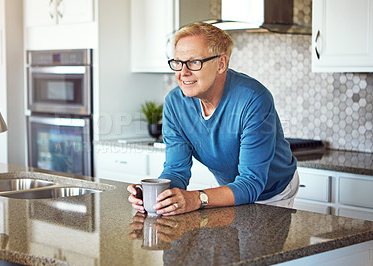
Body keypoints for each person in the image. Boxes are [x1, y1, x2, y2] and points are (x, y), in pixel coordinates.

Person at [127, 22, 298, 216]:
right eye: (177, 62)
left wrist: (196, 198)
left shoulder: (253, 99)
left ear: (221, 64)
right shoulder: (175, 103)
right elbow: (176, 170)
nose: (183, 73)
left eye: (193, 62)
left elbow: (251, 183)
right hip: (231, 189)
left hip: (273, 193)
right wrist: (155, 195)